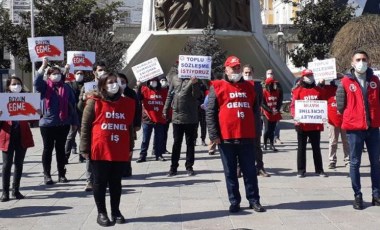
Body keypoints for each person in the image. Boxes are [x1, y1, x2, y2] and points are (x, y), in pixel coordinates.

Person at [206, 56, 265, 213]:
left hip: (247, 136)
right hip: (226, 138)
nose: (236, 70)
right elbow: (210, 112)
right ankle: (234, 201)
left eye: (238, 67)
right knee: (230, 172)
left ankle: (254, 200)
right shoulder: (217, 87)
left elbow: (255, 111)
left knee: (250, 171)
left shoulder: (250, 87)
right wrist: (213, 135)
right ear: (226, 69)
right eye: (233, 68)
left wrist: (257, 131)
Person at [80, 72, 135, 226]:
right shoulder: (94, 101)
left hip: (119, 148)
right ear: (103, 85)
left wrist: (130, 146)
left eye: (116, 81)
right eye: (110, 81)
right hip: (100, 148)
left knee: (116, 182)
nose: (114, 84)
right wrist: (84, 148)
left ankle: (116, 211)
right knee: (100, 182)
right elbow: (85, 126)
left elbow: (129, 126)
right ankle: (101, 212)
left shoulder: (127, 103)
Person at [336, 50, 380, 210]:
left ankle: (376, 195)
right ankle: (358, 195)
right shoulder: (345, 82)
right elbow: (340, 105)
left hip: (373, 128)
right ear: (352, 63)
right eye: (358, 59)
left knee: (376, 162)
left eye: (364, 59)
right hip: (355, 129)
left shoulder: (375, 80)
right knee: (355, 162)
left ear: (368, 61)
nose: (361, 62)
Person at [34, 58, 79, 185]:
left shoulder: (66, 88)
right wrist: (43, 66)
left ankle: (61, 174)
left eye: (58, 73)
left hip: (63, 123)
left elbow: (72, 106)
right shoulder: (43, 87)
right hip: (47, 124)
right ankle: (47, 175)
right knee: (47, 149)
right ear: (48, 76)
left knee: (60, 149)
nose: (56, 75)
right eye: (53, 73)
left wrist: (75, 122)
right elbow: (36, 81)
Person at [0, 77, 35, 202]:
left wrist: (38, 113)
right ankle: (5, 192)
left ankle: (16, 190)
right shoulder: (2, 100)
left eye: (19, 84)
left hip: (22, 135)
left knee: (19, 164)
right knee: (6, 165)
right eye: (14, 84)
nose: (16, 86)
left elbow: (33, 120)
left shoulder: (26, 99)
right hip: (7, 136)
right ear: (8, 86)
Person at [290, 69, 327, 178]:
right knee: (301, 148)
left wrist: (324, 116)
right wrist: (294, 116)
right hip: (302, 125)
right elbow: (293, 106)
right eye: (307, 75)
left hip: (315, 125)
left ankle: (319, 170)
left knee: (316, 148)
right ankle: (301, 170)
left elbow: (324, 104)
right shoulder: (297, 91)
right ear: (303, 78)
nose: (310, 77)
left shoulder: (319, 90)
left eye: (311, 75)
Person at [163, 72, 201, 176]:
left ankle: (189, 166)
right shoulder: (174, 78)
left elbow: (197, 95)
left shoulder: (194, 79)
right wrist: (165, 110)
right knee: (176, 143)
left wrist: (194, 83)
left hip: (190, 118)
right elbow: (169, 95)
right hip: (177, 117)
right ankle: (173, 167)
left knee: (190, 143)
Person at [78, 61, 106, 191]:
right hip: (91, 122)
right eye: (100, 70)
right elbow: (79, 107)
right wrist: (83, 99)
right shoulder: (87, 86)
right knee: (90, 153)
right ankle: (89, 180)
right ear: (94, 71)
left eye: (104, 70)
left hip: (104, 123)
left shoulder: (108, 85)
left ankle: (102, 180)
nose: (102, 72)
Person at [241, 64, 270, 177]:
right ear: (242, 73)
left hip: (254, 119)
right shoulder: (239, 85)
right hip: (242, 119)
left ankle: (260, 167)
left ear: (253, 73)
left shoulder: (257, 86)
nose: (248, 75)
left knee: (257, 145)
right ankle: (240, 167)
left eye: (249, 73)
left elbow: (259, 102)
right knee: (241, 145)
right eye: (246, 73)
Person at [318, 77, 349, 169]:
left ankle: (348, 159)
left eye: (340, 78)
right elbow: (318, 94)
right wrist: (320, 84)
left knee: (346, 142)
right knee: (333, 142)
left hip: (345, 120)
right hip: (332, 121)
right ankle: (332, 160)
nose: (339, 80)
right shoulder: (327, 89)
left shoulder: (345, 88)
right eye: (337, 78)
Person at [136, 77, 167, 163]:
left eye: (155, 81)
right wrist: (138, 86)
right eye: (151, 81)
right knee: (145, 139)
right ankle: (142, 155)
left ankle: (159, 154)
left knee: (159, 138)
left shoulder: (163, 91)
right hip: (147, 118)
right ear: (148, 82)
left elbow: (167, 101)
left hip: (159, 118)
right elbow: (138, 98)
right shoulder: (144, 89)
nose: (153, 82)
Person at [117, 73, 142, 177]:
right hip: (117, 125)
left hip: (129, 125)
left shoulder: (131, 93)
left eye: (123, 82)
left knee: (128, 147)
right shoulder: (113, 93)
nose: (121, 84)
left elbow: (137, 109)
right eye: (119, 82)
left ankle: (127, 168)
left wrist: (137, 124)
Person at [65, 70, 85, 164]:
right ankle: (66, 156)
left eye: (81, 73)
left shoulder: (87, 85)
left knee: (83, 136)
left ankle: (82, 156)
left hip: (83, 114)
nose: (79, 75)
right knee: (70, 136)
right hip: (73, 114)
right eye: (78, 73)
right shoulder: (70, 85)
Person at [262, 77, 282, 151]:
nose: (274, 85)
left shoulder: (277, 91)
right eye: (273, 83)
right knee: (267, 130)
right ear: (268, 84)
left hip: (275, 113)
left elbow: (279, 101)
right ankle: (264, 144)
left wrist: (277, 109)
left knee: (272, 130)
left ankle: (271, 144)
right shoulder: (264, 92)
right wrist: (270, 110)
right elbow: (262, 103)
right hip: (266, 113)